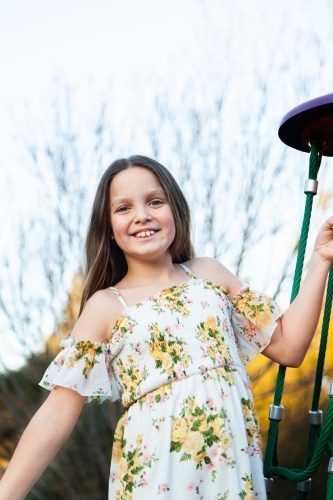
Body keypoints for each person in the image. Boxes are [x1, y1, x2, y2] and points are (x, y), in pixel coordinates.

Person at [0, 155, 332, 500]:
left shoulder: (208, 274)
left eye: (155, 201)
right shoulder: (107, 305)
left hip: (231, 471)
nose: (142, 215)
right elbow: (55, 416)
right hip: (156, 475)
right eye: (123, 208)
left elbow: (289, 347)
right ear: (109, 229)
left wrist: (321, 259)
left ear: (175, 211)